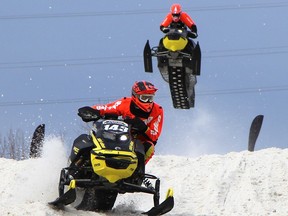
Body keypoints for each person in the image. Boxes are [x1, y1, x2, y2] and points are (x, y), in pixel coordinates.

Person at [84, 81, 164, 165]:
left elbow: (155, 135)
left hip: (138, 141)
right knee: (90, 140)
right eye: (144, 98)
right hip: (118, 135)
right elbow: (106, 108)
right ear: (135, 96)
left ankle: (137, 173)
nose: (148, 101)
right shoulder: (125, 103)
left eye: (150, 98)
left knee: (149, 147)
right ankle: (81, 165)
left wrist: (144, 128)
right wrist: (91, 110)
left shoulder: (157, 110)